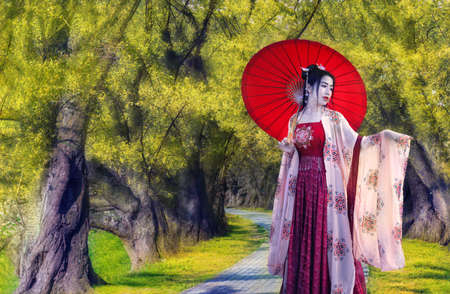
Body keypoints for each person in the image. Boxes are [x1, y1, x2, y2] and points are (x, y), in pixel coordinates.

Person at [267, 65, 412, 294]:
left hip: (326, 188)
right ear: (309, 87)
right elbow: (297, 153)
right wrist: (289, 149)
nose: (328, 92)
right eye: (323, 86)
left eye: (331, 88)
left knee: (327, 236)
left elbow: (358, 144)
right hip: (300, 192)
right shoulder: (294, 120)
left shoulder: (334, 118)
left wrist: (384, 138)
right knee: (301, 237)